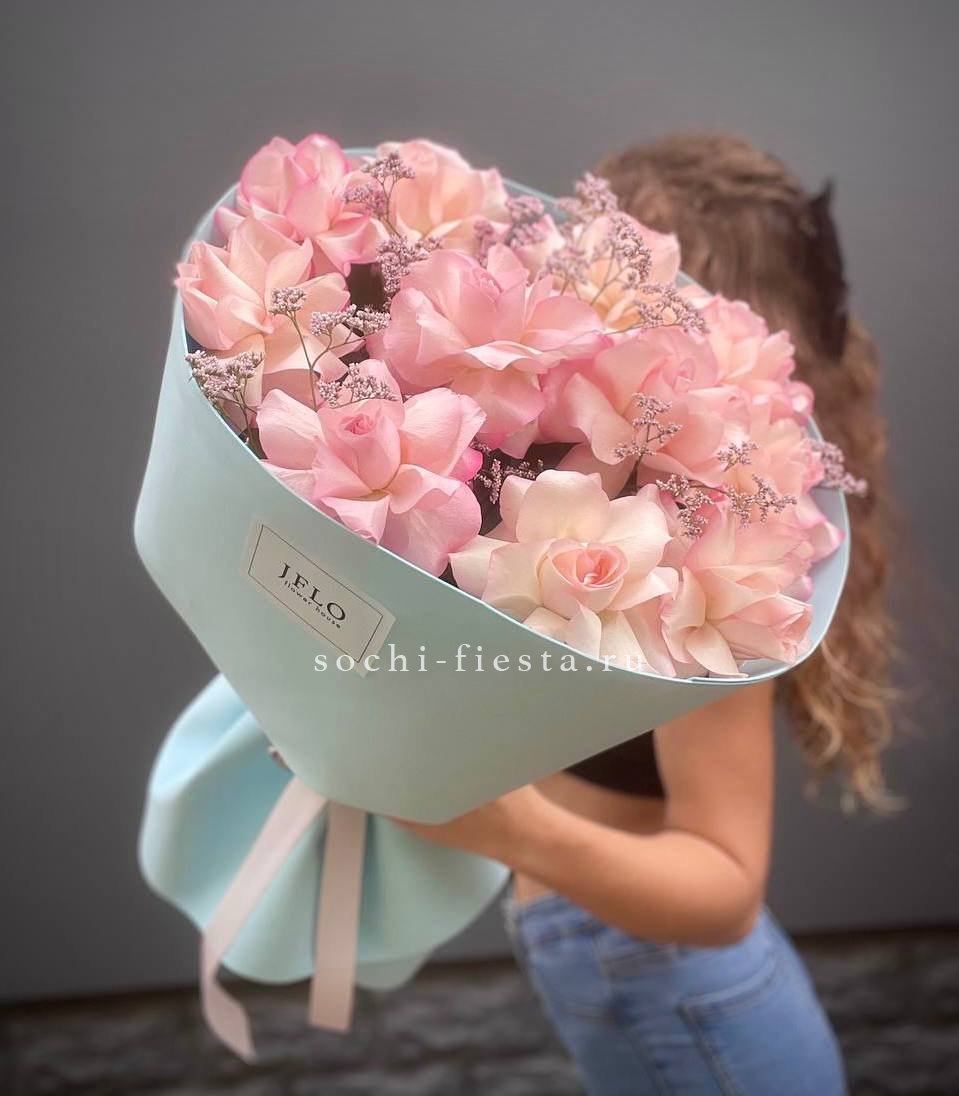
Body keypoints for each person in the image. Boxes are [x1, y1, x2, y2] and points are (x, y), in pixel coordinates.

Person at [392, 132, 896, 1095]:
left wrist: (509, 829)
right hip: (638, 969)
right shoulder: (563, 473)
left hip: (681, 988)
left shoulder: (703, 546)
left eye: (613, 270)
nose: (570, 285)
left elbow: (724, 887)